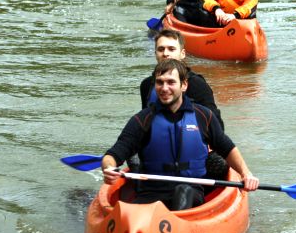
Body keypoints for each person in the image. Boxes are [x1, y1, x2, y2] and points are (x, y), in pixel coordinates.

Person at [102, 59, 259, 211]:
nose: (164, 88)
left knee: (183, 191)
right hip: (151, 193)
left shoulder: (203, 116)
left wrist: (246, 174)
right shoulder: (142, 120)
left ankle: (177, 229)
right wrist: (109, 168)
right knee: (132, 211)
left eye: (171, 82)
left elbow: (227, 148)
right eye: (160, 82)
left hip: (191, 192)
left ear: (184, 85)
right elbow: (114, 154)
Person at [129, 29, 228, 178]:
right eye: (161, 49)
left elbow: (216, 128)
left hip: (192, 150)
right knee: (133, 158)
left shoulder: (197, 85)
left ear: (182, 54)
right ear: (155, 53)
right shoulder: (147, 85)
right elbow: (144, 125)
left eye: (171, 49)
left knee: (218, 163)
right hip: (160, 149)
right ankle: (143, 190)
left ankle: (202, 192)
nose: (166, 53)